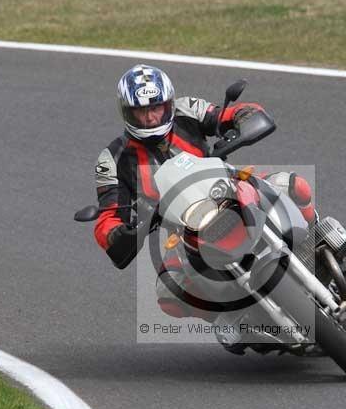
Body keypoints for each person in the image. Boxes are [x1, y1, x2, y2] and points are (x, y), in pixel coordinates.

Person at [92, 64, 316, 319]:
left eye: (156, 107)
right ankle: (233, 320)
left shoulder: (186, 109)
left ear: (168, 104)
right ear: (127, 113)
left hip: (231, 188)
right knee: (169, 294)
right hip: (185, 230)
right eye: (141, 111)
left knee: (296, 185)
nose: (151, 118)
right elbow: (107, 216)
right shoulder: (112, 159)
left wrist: (243, 118)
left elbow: (227, 115)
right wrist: (117, 233)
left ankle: (316, 243)